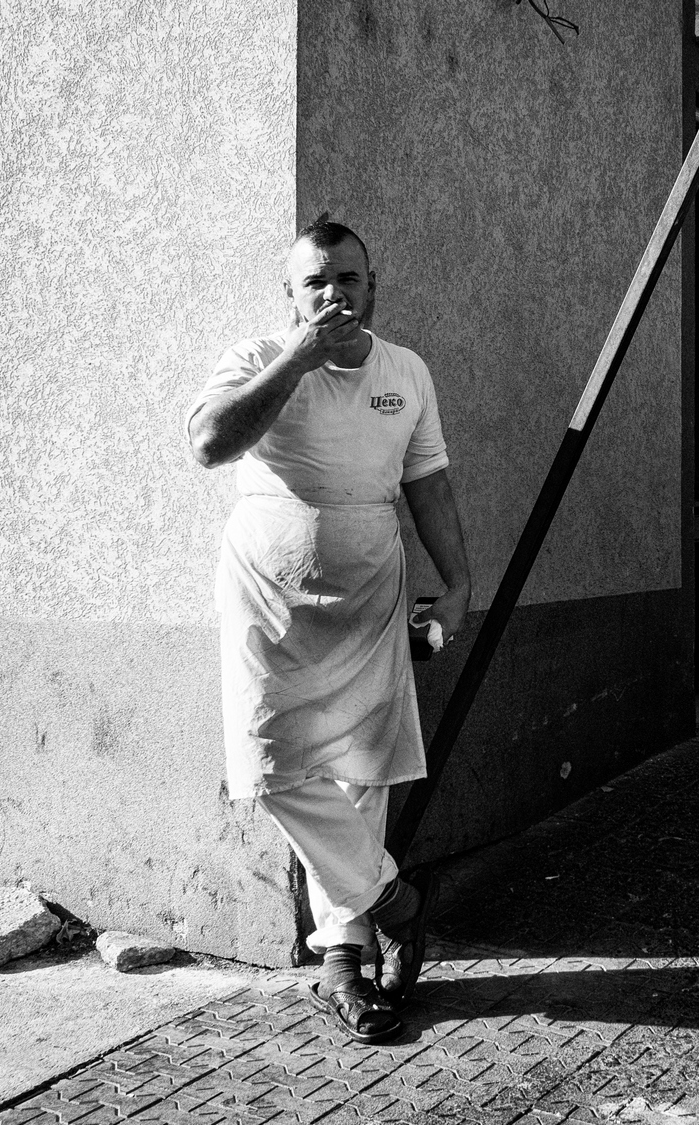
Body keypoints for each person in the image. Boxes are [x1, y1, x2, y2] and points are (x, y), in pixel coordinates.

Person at [187, 215, 472, 1043]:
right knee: (272, 764)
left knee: (362, 773)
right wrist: (299, 357)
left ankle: (343, 961)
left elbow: (428, 483)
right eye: (315, 280)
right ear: (290, 292)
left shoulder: (406, 371)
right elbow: (208, 442)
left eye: (347, 278)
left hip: (371, 591)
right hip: (267, 600)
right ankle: (396, 902)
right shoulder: (256, 358)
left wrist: (459, 584)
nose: (333, 293)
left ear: (372, 286)